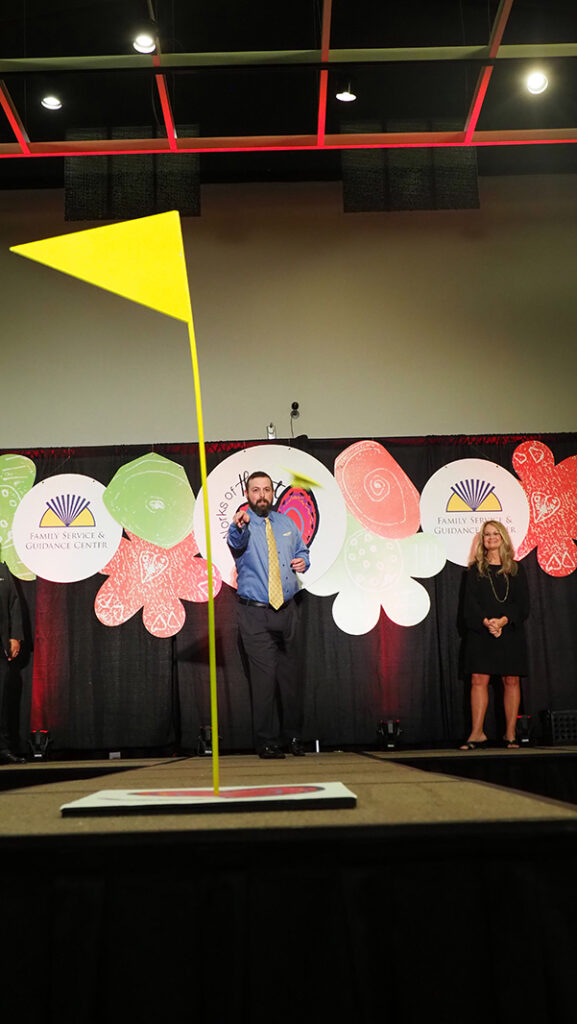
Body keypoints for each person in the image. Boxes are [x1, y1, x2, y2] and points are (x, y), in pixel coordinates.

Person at [227, 471, 310, 759]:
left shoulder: (286, 523)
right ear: (247, 494)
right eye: (255, 490)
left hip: (287, 612)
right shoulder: (242, 523)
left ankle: (295, 738)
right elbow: (236, 542)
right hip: (255, 615)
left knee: (290, 680)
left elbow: (302, 550)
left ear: (272, 493)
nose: (261, 495)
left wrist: (304, 561)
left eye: (266, 490)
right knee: (263, 682)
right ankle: (266, 741)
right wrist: (239, 527)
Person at [460, 520, 530, 750]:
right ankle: (477, 733)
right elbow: (469, 605)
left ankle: (510, 734)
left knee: (511, 680)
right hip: (481, 632)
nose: (491, 537)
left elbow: (523, 605)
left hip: (509, 632)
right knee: (478, 679)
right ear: (482, 540)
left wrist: (502, 621)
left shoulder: (517, 570)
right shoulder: (474, 571)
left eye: (495, 533)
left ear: (503, 537)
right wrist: (486, 622)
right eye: (487, 534)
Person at [0, 562, 26, 764]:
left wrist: (15, 636)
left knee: (2, 701)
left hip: (1, 647)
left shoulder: (2, 569)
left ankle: (3, 748)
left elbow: (14, 603)